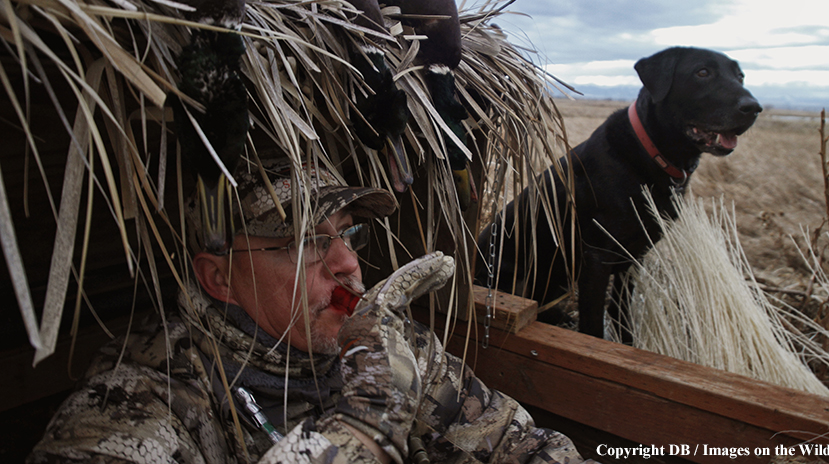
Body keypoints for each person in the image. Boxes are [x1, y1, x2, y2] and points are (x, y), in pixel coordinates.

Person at [29, 157, 594, 464]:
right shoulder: (143, 400)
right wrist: (370, 420)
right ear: (220, 278)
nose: (347, 262)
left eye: (348, 234)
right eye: (303, 241)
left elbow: (519, 447)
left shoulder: (392, 352)